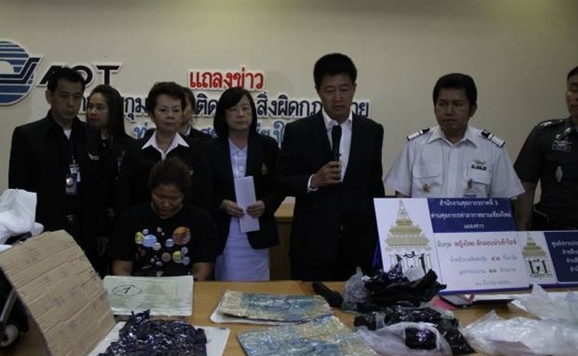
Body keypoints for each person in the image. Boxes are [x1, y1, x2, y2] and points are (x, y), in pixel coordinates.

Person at [276, 53, 385, 281]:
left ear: (354, 89)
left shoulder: (372, 131)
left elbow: (375, 187)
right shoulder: (298, 131)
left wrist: (380, 238)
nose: (337, 98)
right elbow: (281, 180)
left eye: (344, 89)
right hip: (312, 246)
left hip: (359, 246)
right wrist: (313, 181)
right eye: (329, 90)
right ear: (318, 91)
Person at [8, 66, 108, 273]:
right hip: (45, 230)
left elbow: (100, 186)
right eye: (64, 96)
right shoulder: (28, 136)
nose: (71, 103)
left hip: (85, 230)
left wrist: (101, 230)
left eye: (77, 97)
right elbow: (19, 192)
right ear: (49, 96)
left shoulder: (92, 135)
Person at [384, 73, 523, 200]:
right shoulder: (415, 146)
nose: (449, 111)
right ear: (434, 107)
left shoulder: (493, 150)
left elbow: (502, 205)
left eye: (457, 104)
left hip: (473, 221)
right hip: (424, 221)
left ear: (472, 109)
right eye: (442, 104)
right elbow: (400, 199)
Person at [207, 87, 284, 281]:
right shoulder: (211, 149)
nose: (241, 114)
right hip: (225, 232)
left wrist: (265, 204)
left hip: (257, 230)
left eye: (245, 108)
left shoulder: (267, 146)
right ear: (223, 115)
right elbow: (203, 189)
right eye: (233, 109)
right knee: (226, 287)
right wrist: (221, 203)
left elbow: (279, 185)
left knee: (257, 289)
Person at [514, 63, 578, 230]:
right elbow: (526, 186)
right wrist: (522, 232)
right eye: (573, 89)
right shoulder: (545, 133)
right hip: (552, 230)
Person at [110, 157, 217, 280]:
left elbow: (202, 272)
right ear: (151, 190)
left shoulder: (201, 221)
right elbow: (121, 269)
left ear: (184, 195)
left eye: (174, 198)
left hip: (185, 288)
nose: (165, 204)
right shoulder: (130, 219)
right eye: (160, 196)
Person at [115, 81, 211, 214]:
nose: (170, 115)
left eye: (176, 110)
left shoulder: (196, 149)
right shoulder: (135, 149)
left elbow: (203, 196)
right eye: (163, 110)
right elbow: (123, 196)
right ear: (151, 114)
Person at [86, 84, 135, 274]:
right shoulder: (80, 142)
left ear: (113, 111)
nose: (93, 112)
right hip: (88, 225)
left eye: (100, 107)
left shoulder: (130, 146)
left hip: (121, 225)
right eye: (90, 106)